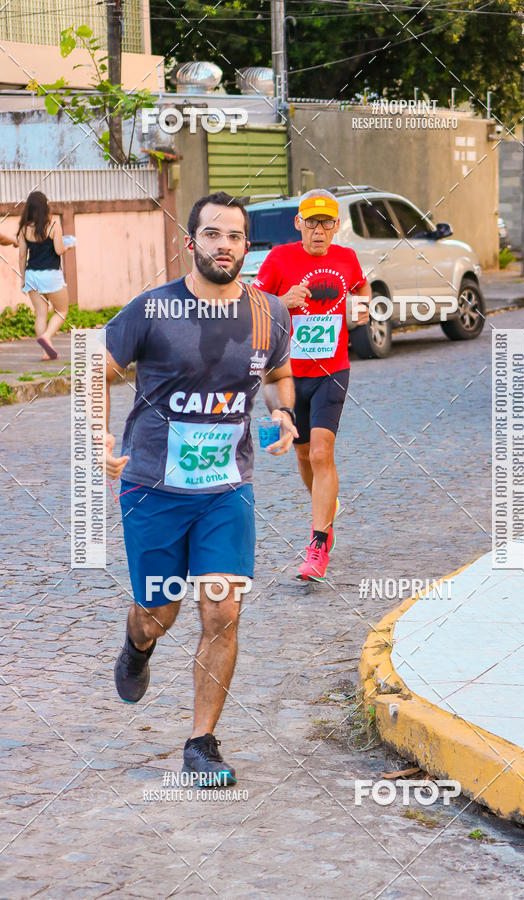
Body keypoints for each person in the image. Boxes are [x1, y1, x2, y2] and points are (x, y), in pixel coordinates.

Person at [103, 192, 296, 785]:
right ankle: (138, 644)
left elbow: (279, 372)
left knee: (222, 609)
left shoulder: (269, 313)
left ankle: (200, 743)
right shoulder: (152, 310)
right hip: (153, 487)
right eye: (212, 234)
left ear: (246, 246)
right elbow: (94, 367)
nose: (223, 245)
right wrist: (96, 433)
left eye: (234, 236)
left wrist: (283, 412)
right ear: (192, 243)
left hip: (226, 488)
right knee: (160, 612)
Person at [253, 189, 371, 582]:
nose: (318, 231)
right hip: (288, 374)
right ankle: (326, 506)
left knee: (322, 452)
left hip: (332, 370)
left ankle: (318, 543)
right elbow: (253, 304)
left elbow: (362, 288)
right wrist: (283, 300)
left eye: (326, 223)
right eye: (311, 222)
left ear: (337, 226)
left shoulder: (347, 258)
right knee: (303, 456)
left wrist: (361, 308)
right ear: (298, 223)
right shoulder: (279, 258)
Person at [17, 191, 74, 361]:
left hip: (31, 275)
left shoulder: (24, 228)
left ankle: (45, 352)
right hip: (51, 275)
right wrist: (69, 246)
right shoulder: (53, 225)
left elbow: (22, 256)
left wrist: (22, 278)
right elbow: (59, 250)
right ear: (45, 206)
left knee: (40, 314)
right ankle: (47, 337)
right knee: (62, 310)